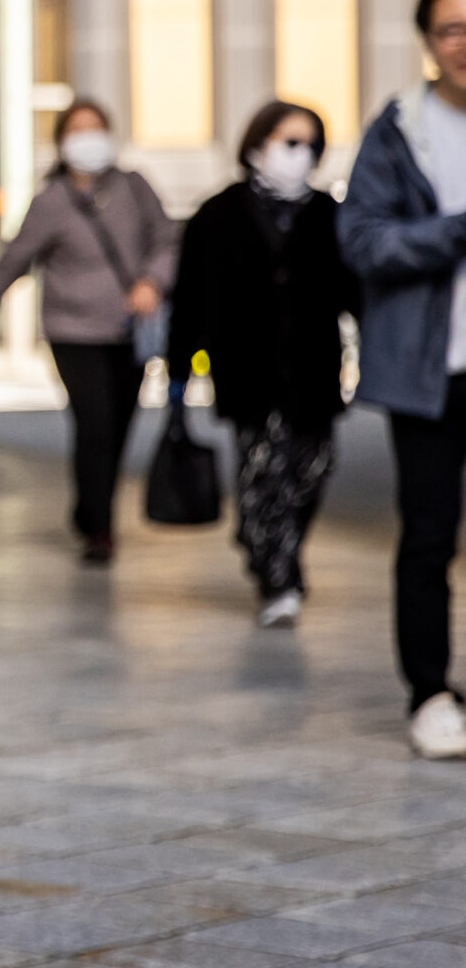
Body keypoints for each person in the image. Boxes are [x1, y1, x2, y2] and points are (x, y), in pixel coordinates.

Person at [0, 100, 175, 563]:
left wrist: (153, 282)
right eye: (78, 130)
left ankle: (90, 505)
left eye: (96, 129)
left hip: (129, 331)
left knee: (118, 425)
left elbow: (166, 240)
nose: (89, 139)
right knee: (94, 424)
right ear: (61, 141)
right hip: (73, 331)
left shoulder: (134, 188)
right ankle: (100, 529)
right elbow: (11, 264)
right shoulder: (50, 202)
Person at [166, 100, 359, 628]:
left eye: (310, 145)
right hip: (247, 372)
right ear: (258, 143)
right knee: (263, 470)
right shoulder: (218, 214)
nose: (300, 154)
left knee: (313, 469)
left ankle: (271, 543)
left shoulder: (329, 215)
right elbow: (190, 299)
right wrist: (178, 374)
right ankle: (279, 576)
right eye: (289, 141)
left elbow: (355, 293)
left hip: (314, 370)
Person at [341, 0, 466, 759]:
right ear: (428, 41)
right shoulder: (398, 130)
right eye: (452, 29)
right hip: (429, 375)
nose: (465, 43)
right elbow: (362, 240)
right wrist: (453, 230)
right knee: (428, 535)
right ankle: (430, 694)